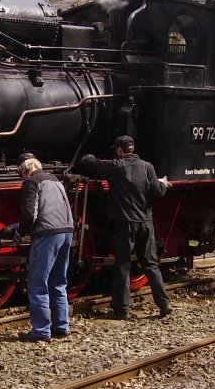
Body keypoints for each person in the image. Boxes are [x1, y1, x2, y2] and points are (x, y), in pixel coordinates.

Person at [77, 135, 172, 320]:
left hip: (125, 223)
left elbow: (89, 161)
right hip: (145, 223)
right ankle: (164, 304)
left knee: (122, 265)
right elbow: (158, 191)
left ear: (120, 150)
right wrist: (164, 184)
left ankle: (122, 310)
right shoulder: (147, 167)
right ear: (133, 148)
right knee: (151, 265)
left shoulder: (115, 166)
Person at [10, 154, 74, 342]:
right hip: (67, 232)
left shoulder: (31, 182)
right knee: (58, 281)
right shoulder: (56, 180)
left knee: (37, 283)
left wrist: (20, 233)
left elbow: (30, 213)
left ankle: (41, 331)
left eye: (21, 174)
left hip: (47, 234)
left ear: (25, 170)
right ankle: (62, 326)